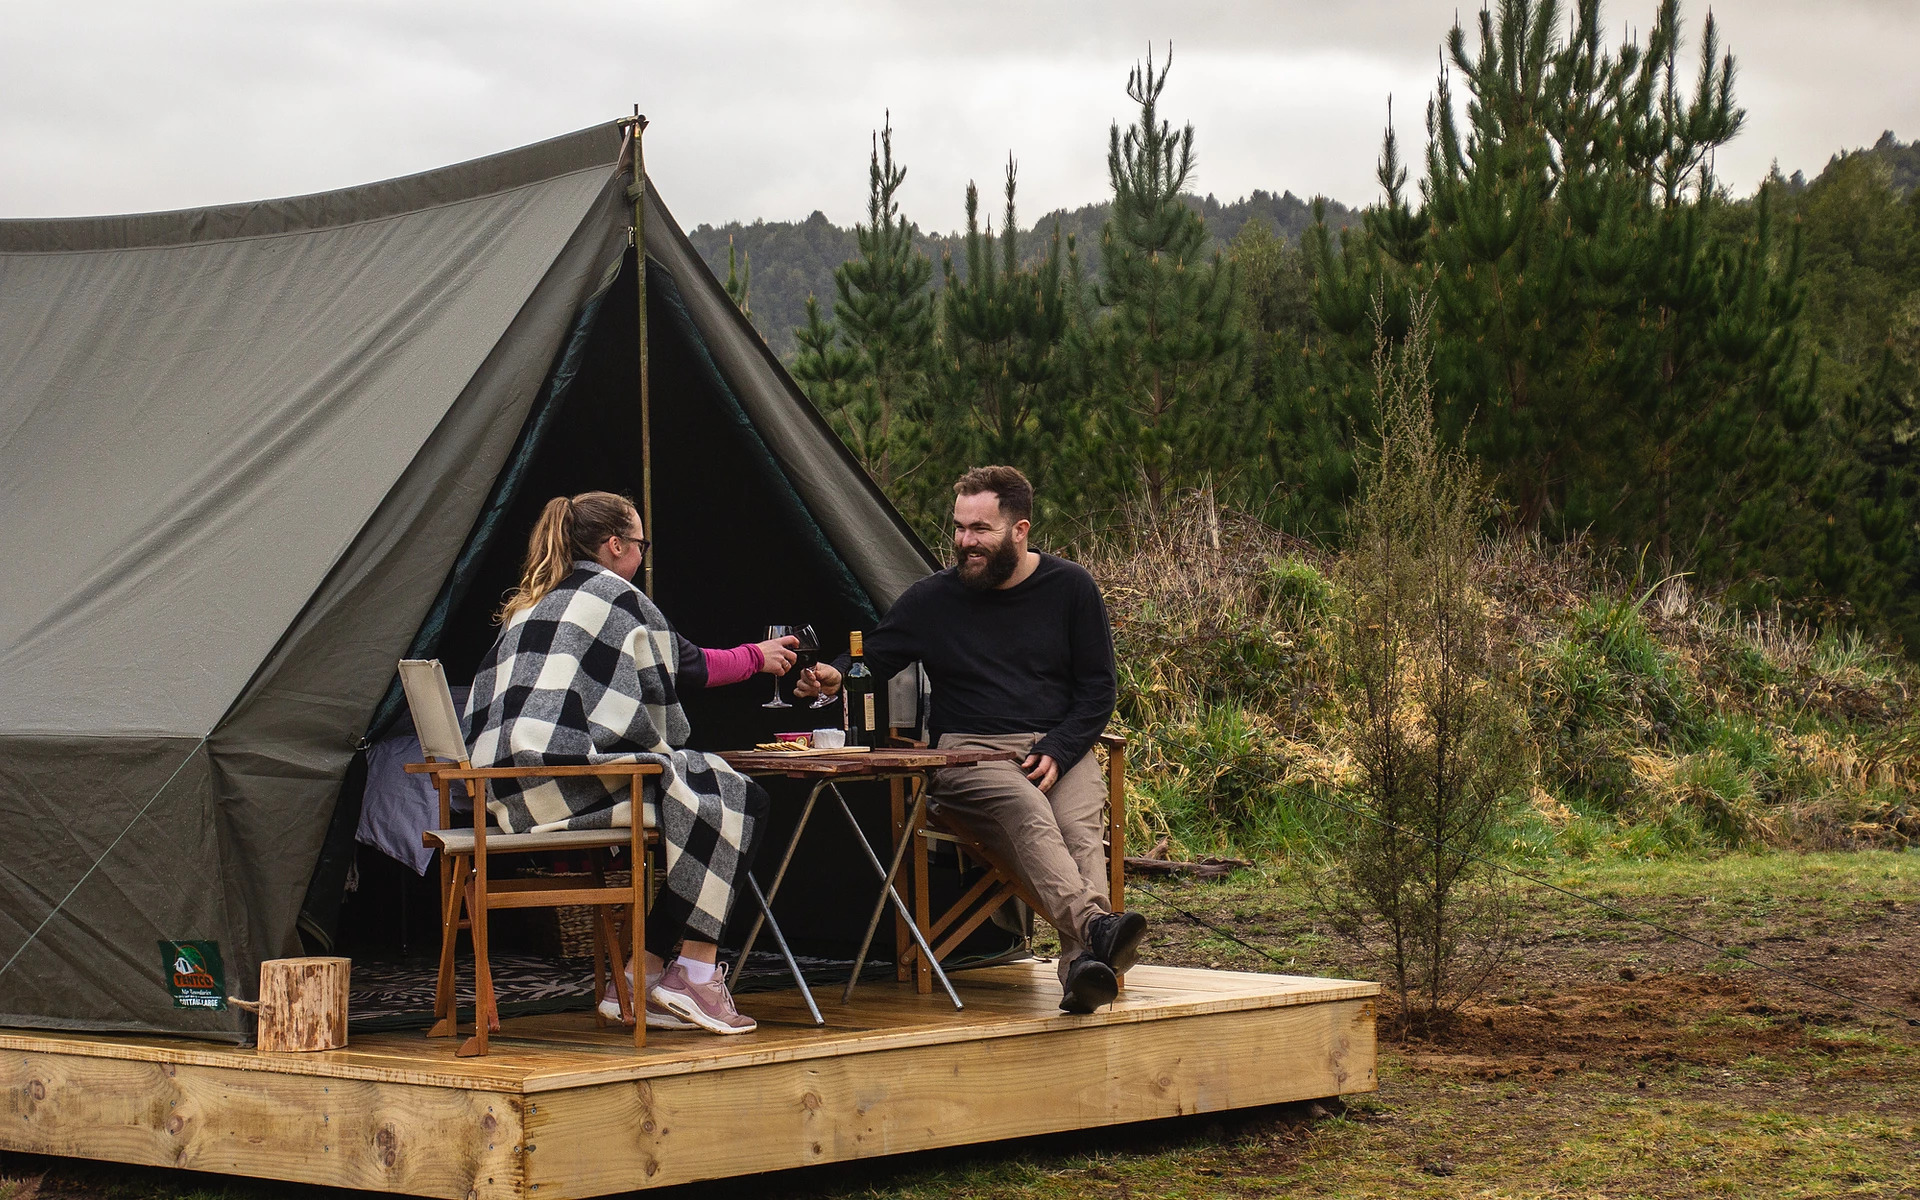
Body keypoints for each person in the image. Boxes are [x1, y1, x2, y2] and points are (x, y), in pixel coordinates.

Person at [797, 465, 1147, 1013]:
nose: (964, 542)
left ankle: (1081, 965)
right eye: (959, 528)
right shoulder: (933, 598)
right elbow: (874, 655)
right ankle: (1095, 929)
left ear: (1020, 529)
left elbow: (1099, 690)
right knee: (1028, 812)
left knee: (1079, 830)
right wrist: (833, 677)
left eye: (980, 529)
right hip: (969, 752)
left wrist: (1058, 748)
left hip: (1060, 744)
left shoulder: (1070, 588)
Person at [465, 490, 792, 1035]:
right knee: (739, 798)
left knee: (704, 790)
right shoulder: (615, 595)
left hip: (503, 794)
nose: (643, 555)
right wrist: (760, 657)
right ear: (616, 545)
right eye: (641, 543)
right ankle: (692, 970)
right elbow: (686, 667)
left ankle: (640, 977)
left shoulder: (529, 601)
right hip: (567, 788)